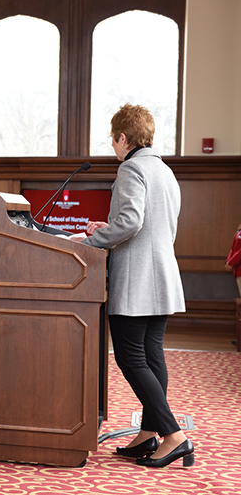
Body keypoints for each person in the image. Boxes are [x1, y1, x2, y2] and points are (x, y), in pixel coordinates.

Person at [73, 103, 192, 468]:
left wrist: (87, 241)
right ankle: (148, 433)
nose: (113, 146)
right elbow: (148, 222)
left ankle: (173, 436)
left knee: (131, 357)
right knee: (152, 354)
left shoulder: (130, 167)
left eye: (113, 139)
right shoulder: (164, 171)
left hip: (137, 279)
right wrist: (105, 227)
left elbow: (130, 223)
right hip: (162, 275)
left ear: (122, 137)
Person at [225, 223, 241, 298]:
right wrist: (228, 262)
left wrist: (231, 263)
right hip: (238, 271)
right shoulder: (238, 233)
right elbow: (233, 249)